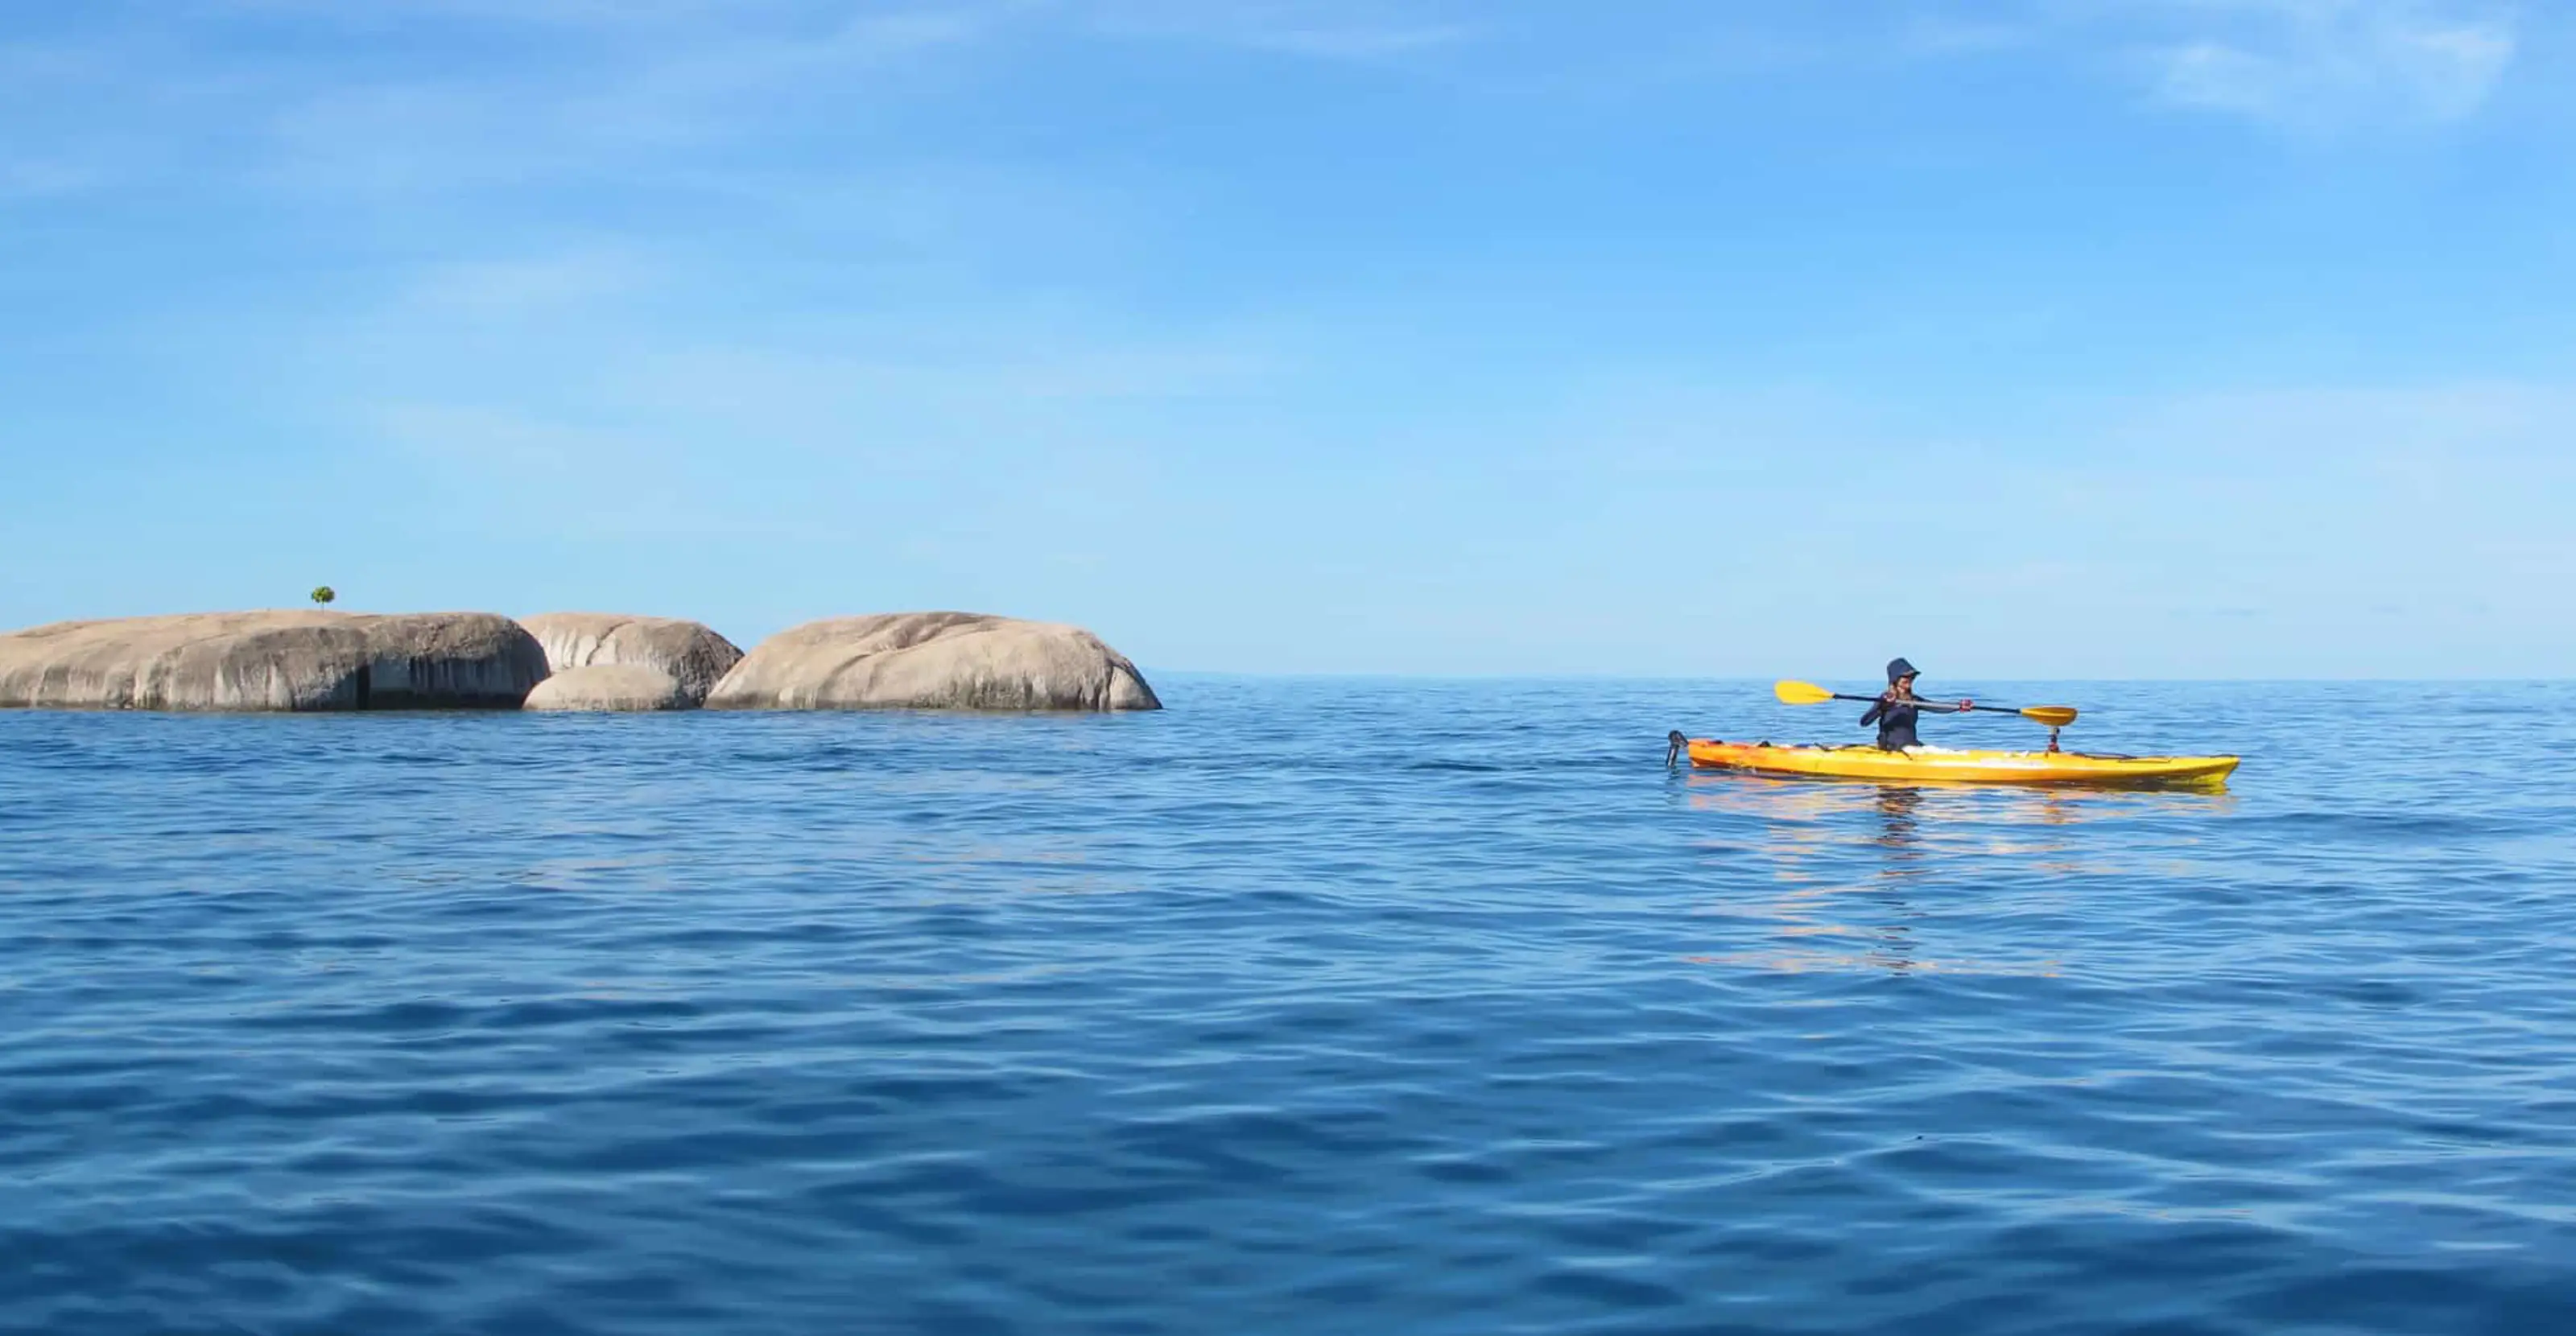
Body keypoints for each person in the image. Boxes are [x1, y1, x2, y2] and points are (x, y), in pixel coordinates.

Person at [1859, 658, 1971, 751]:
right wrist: (1882, 706)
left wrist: (1958, 706)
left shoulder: (1914, 700)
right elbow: (1864, 722)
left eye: (1911, 677)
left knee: (1940, 751)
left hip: (1911, 746)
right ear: (1895, 679)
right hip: (1892, 749)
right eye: (1905, 676)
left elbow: (1937, 707)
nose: (1910, 679)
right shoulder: (1885, 699)